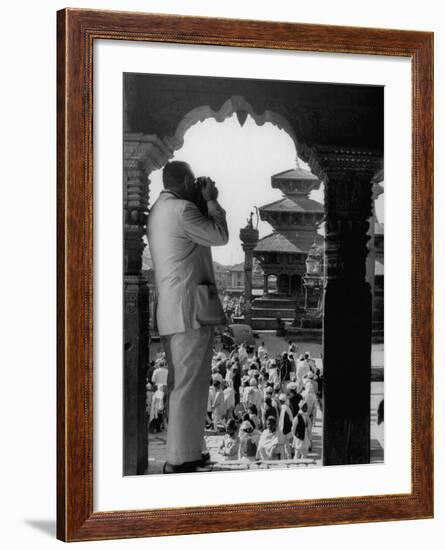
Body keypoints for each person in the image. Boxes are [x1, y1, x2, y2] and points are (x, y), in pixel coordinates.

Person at [147, 161, 228, 473]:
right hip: (188, 311)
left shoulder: (160, 209)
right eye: (193, 180)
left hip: (174, 310)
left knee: (187, 384)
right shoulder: (182, 210)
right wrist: (211, 200)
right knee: (187, 387)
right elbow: (219, 235)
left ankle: (191, 450)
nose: (196, 185)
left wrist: (199, 199)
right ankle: (180, 459)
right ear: (182, 180)